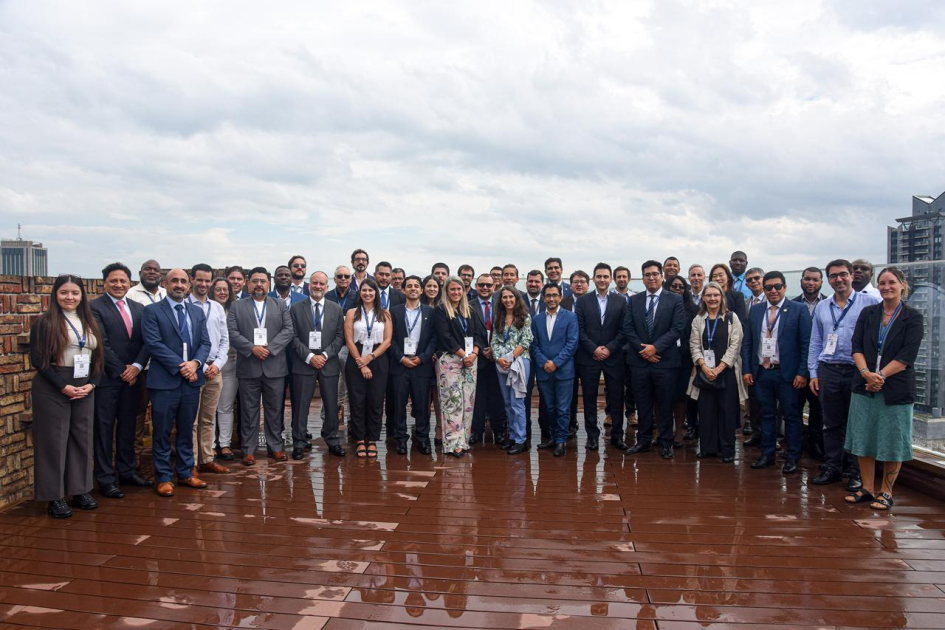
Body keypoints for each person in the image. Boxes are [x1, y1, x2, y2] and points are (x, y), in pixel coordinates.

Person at [845, 267, 922, 511]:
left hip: (895, 388)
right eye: (882, 283)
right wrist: (866, 373)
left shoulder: (913, 317)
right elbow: (855, 346)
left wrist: (879, 376)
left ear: (902, 284)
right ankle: (867, 488)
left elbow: (907, 355)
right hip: (864, 384)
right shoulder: (869, 313)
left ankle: (886, 491)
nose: (886, 287)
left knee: (892, 440)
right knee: (863, 437)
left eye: (891, 282)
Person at [32, 274, 104, 517]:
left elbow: (98, 360)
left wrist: (92, 385)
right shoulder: (45, 322)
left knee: (82, 439)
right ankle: (55, 496)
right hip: (54, 386)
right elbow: (38, 360)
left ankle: (80, 490)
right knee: (54, 441)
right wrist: (63, 386)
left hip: (84, 386)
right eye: (64, 292)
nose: (69, 297)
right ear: (55, 295)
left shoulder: (89, 321)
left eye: (74, 293)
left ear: (82, 296)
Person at [809, 260, 879, 489]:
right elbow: (816, 341)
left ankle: (857, 471)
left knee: (857, 423)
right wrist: (813, 372)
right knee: (830, 423)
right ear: (828, 279)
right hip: (828, 369)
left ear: (851, 276)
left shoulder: (869, 302)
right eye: (833, 276)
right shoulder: (822, 306)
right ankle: (833, 467)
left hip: (858, 371)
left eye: (843, 275)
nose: (838, 279)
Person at [141, 269, 212, 497]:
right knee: (161, 432)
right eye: (174, 281)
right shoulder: (152, 311)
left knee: (185, 429)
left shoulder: (197, 312)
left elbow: (205, 342)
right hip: (165, 382)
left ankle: (185, 472)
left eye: (183, 281)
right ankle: (163, 477)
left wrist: (196, 363)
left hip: (191, 382)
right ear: (165, 284)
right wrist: (183, 367)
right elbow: (154, 344)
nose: (179, 285)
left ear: (189, 285)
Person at [90, 263, 151, 499]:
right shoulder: (94, 307)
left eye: (123, 281)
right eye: (113, 281)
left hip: (133, 379)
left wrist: (135, 367)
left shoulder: (139, 308)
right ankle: (105, 478)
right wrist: (121, 370)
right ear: (104, 282)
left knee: (127, 428)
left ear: (129, 283)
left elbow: (148, 342)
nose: (118, 285)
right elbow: (101, 343)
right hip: (107, 380)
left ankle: (126, 472)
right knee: (104, 430)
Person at [742, 271, 812, 474]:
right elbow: (748, 342)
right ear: (763, 290)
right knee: (766, 414)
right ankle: (768, 453)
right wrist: (747, 368)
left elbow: (806, 344)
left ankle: (792, 457)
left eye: (777, 286)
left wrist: (802, 373)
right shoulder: (756, 310)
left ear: (785, 287)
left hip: (788, 373)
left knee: (791, 415)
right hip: (762, 372)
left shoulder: (798, 310)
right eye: (768, 287)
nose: (773, 291)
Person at [226, 267, 294, 466]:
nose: (258, 285)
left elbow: (288, 330)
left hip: (275, 365)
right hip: (249, 365)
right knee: (249, 410)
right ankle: (248, 449)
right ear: (248, 283)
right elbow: (232, 331)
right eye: (255, 281)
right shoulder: (237, 306)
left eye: (263, 281)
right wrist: (251, 348)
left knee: (275, 410)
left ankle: (276, 447)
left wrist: (270, 348)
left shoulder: (280, 305)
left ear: (269, 284)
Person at [623, 260, 686, 458]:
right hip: (639, 360)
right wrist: (644, 350)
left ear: (661, 276)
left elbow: (678, 328)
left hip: (665, 362)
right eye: (647, 274)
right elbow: (628, 327)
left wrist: (655, 348)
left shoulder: (675, 300)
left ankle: (665, 441)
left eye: (655, 274)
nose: (651, 277)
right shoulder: (634, 300)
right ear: (642, 279)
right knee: (642, 403)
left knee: (665, 403)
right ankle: (643, 440)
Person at [289, 271, 347, 460]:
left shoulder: (336, 309)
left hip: (328, 363)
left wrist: (323, 355)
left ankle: (331, 439)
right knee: (300, 405)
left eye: (322, 284)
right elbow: (293, 336)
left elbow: (339, 337)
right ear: (308, 285)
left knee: (331, 405)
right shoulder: (296, 308)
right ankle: (298, 441)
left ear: (327, 286)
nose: (318, 286)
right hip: (303, 363)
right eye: (315, 283)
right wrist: (309, 356)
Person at [687, 282, 745, 462]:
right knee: (706, 411)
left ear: (722, 297)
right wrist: (704, 367)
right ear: (703, 298)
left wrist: (719, 368)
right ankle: (707, 448)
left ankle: (727, 450)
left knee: (727, 412)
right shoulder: (698, 319)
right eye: (709, 295)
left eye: (716, 295)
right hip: (705, 373)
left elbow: (735, 345)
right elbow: (694, 345)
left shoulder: (731, 318)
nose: (713, 298)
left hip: (726, 372)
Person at [576, 263, 628, 452]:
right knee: (589, 398)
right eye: (599, 276)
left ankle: (617, 436)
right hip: (589, 357)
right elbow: (579, 330)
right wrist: (594, 349)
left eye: (606, 277)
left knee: (616, 398)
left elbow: (625, 329)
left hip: (613, 357)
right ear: (593, 279)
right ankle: (592, 436)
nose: (602, 280)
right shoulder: (582, 301)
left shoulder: (621, 301)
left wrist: (610, 349)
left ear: (611, 279)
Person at [186, 263, 230, 477]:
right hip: (192, 370)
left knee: (208, 418)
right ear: (192, 279)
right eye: (199, 279)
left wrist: (217, 365)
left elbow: (224, 339)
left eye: (207, 281)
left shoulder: (217, 307)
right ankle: (191, 462)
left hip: (215, 369)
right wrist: (201, 365)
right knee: (191, 420)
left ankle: (206, 458)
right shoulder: (183, 305)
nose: (203, 284)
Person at [433, 276, 482, 457]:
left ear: (464, 291)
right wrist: (463, 354)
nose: (456, 292)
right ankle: (453, 443)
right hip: (450, 360)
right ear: (446, 291)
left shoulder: (470, 310)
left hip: (471, 361)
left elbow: (479, 334)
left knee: (467, 402)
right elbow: (445, 336)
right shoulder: (441, 310)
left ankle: (463, 440)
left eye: (459, 289)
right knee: (451, 402)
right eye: (452, 289)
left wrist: (474, 354)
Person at [389, 275, 437, 455]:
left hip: (421, 366)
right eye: (409, 286)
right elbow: (390, 339)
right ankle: (401, 440)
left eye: (417, 286)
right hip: (400, 365)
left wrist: (423, 358)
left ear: (422, 290)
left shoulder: (430, 312)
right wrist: (401, 358)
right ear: (403, 290)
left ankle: (423, 439)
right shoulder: (394, 312)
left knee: (421, 406)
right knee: (399, 405)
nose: (413, 289)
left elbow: (434, 338)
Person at [344, 278, 392, 458]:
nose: (367, 293)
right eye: (364, 290)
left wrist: (370, 357)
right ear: (360, 292)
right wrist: (360, 361)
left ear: (376, 293)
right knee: (357, 401)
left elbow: (387, 341)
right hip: (356, 356)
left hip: (378, 358)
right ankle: (359, 439)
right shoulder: (351, 313)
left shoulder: (385, 313)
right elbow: (349, 340)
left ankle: (371, 440)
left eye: (371, 291)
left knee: (376, 400)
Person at [125, 259, 166, 468]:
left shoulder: (166, 295)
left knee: (165, 410)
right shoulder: (130, 295)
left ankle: (167, 449)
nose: (152, 272)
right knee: (139, 410)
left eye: (156, 270)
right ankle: (136, 452)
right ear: (140, 272)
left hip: (165, 365)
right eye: (148, 269)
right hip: (142, 365)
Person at [530, 283, 579, 457]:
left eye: (554, 295)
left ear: (560, 297)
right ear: (543, 298)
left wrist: (556, 363)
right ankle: (552, 436)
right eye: (548, 295)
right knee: (549, 407)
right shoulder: (536, 319)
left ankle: (561, 440)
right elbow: (534, 345)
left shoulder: (570, 317)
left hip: (564, 371)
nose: (551, 298)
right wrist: (545, 363)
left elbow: (572, 343)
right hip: (544, 371)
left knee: (563, 408)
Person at [490, 286, 533, 455]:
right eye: (504, 297)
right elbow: (494, 341)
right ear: (501, 300)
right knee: (507, 402)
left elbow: (526, 340)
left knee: (517, 402)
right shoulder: (498, 318)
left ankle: (521, 440)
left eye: (511, 297)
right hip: (501, 363)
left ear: (516, 298)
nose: (508, 300)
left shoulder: (525, 316)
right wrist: (499, 358)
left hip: (520, 362)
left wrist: (510, 358)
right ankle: (513, 437)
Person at [470, 273, 508, 446]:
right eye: (481, 285)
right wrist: (479, 350)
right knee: (477, 397)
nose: (485, 288)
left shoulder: (503, 306)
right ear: (476, 286)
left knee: (497, 397)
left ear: (494, 287)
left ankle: (499, 431)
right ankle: (476, 431)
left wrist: (495, 350)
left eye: (488, 285)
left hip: (498, 358)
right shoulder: (468, 306)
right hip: (477, 357)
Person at [795, 266, 828, 461]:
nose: (811, 283)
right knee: (794, 409)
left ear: (821, 282)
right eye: (807, 279)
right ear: (801, 281)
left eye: (815, 279)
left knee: (818, 410)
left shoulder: (829, 304)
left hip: (821, 368)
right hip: (797, 369)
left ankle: (817, 446)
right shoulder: (791, 304)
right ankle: (797, 445)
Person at [666, 275, 699, 447]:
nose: (678, 289)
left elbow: (694, 335)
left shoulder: (693, 309)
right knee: (662, 396)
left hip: (684, 358)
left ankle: (679, 430)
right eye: (674, 286)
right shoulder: (662, 305)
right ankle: (663, 431)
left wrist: (683, 350)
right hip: (662, 357)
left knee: (680, 396)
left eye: (681, 287)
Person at [211, 278, 239, 461]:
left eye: (225, 289)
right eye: (218, 289)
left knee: (226, 407)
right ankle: (210, 445)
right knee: (210, 407)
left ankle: (225, 444)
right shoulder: (206, 308)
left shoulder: (235, 310)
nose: (222, 292)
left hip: (231, 363)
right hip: (210, 365)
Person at [325, 265, 355, 425]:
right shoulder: (327, 296)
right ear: (334, 278)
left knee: (350, 382)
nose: (343, 278)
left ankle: (351, 419)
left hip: (349, 346)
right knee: (329, 382)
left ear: (351, 279)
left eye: (346, 276)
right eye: (340, 276)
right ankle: (328, 418)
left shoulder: (357, 296)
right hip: (330, 346)